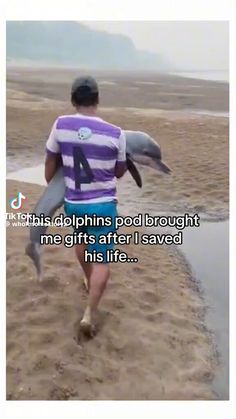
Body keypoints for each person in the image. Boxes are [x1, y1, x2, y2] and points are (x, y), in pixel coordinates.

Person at [44, 76, 127, 337]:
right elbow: (119, 172)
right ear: (97, 99)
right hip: (102, 206)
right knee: (102, 259)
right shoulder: (116, 133)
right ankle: (89, 313)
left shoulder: (61, 125)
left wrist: (58, 189)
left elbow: (50, 167)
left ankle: (87, 278)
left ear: (73, 100)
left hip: (75, 204)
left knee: (81, 242)